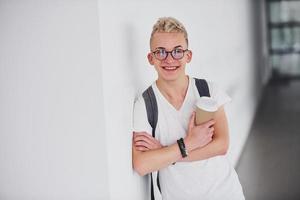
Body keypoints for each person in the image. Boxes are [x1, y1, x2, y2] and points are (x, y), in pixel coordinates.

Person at [132, 17, 245, 200]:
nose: (169, 59)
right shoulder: (145, 104)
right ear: (150, 58)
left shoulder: (208, 91)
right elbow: (142, 164)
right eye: (160, 52)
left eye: (177, 51)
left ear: (188, 56)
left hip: (226, 193)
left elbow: (221, 145)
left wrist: (167, 152)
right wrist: (189, 143)